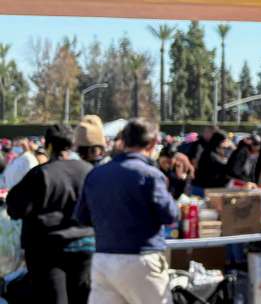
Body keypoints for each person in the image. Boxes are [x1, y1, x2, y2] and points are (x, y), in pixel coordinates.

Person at [75, 118, 177, 304]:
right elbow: (170, 215)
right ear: (153, 143)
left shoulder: (96, 174)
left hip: (103, 258)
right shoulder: (151, 175)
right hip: (141, 258)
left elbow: (82, 217)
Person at [6, 124, 94, 304]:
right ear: (73, 144)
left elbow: (15, 208)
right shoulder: (88, 170)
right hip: (86, 247)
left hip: (47, 251)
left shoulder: (40, 174)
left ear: (48, 145)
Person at [192, 129, 233, 194]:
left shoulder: (217, 151)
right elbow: (223, 166)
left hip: (211, 188)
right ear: (219, 141)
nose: (227, 143)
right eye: (224, 141)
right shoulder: (210, 153)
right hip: (204, 189)